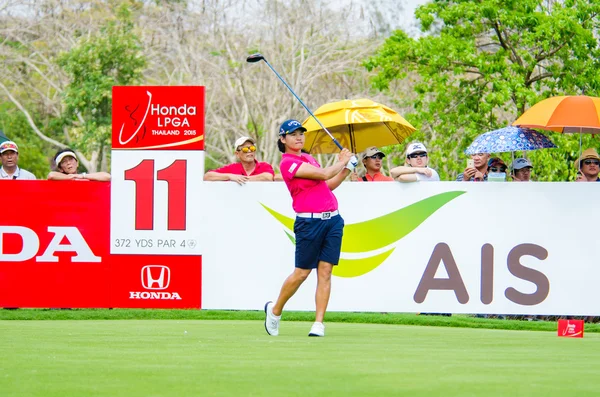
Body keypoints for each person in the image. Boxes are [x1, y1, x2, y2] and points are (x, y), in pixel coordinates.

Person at [264, 119, 356, 337]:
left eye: (301, 133)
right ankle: (275, 311)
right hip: (309, 223)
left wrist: (347, 170)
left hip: (332, 220)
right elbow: (324, 174)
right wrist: (342, 161)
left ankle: (318, 324)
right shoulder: (287, 163)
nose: (299, 137)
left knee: (325, 272)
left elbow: (327, 185)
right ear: (283, 139)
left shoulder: (309, 158)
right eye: (293, 134)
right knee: (302, 273)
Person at [204, 136, 274, 184]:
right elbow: (207, 176)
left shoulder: (264, 166)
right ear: (237, 154)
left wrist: (241, 179)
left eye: (252, 148)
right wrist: (230, 176)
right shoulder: (232, 168)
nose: (249, 151)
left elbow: (268, 177)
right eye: (245, 149)